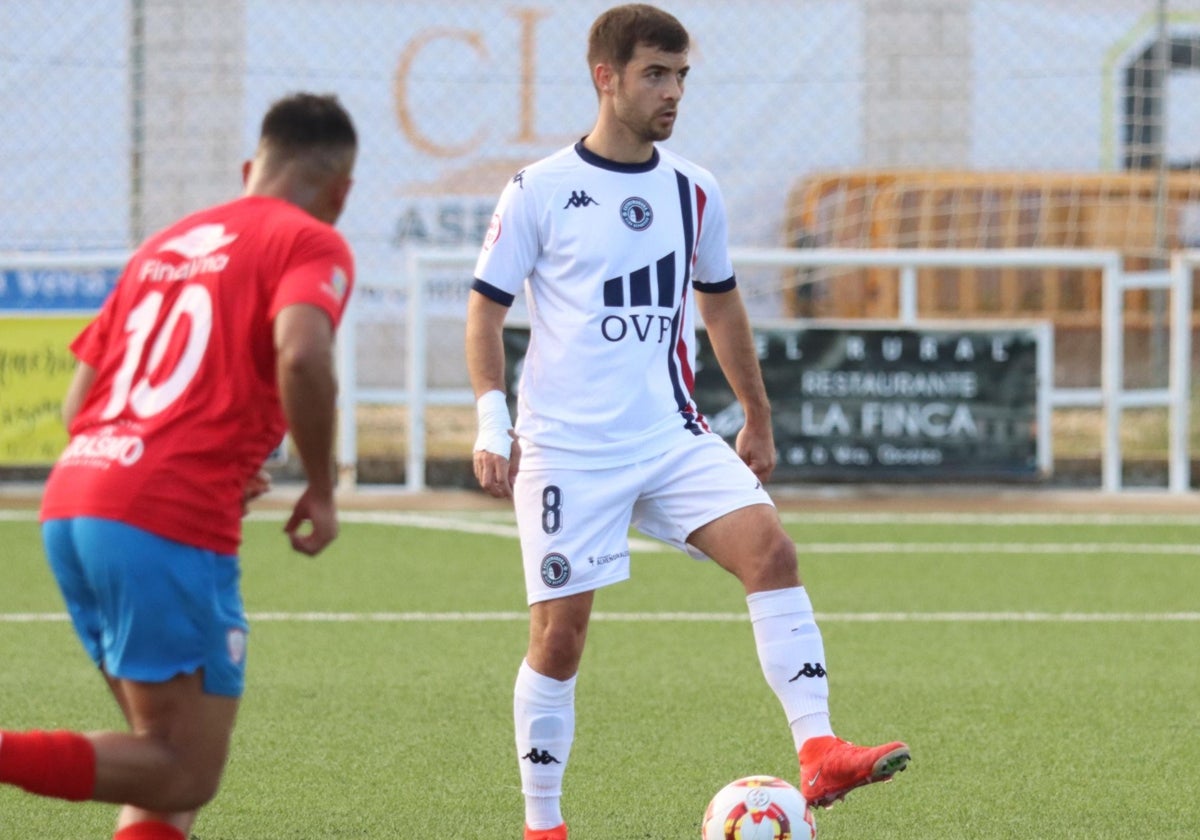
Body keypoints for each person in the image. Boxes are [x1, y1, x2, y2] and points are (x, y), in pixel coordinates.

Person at [466, 6, 910, 838]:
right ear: (607, 77)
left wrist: (757, 417)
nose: (672, 93)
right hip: (568, 450)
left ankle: (818, 751)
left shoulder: (692, 188)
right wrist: (493, 421)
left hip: (671, 435)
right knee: (560, 639)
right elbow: (484, 312)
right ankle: (543, 823)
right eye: (655, 75)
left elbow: (722, 304)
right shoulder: (540, 189)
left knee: (771, 551)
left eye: (680, 76)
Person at [0, 92, 358, 840]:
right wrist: (322, 489)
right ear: (341, 191)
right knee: (182, 767)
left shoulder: (165, 245)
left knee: (164, 775)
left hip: (75, 499)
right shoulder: (308, 240)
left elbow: (78, 406)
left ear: (249, 168)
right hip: (161, 516)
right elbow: (303, 353)